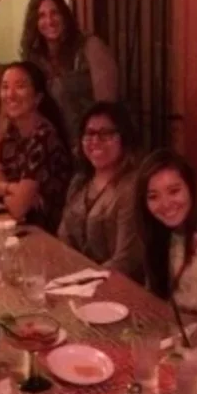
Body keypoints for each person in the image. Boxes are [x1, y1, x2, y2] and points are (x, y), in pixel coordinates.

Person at [0, 61, 71, 233]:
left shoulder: (44, 137)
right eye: (5, 87)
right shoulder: (13, 132)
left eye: (20, 86)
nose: (10, 94)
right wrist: (10, 188)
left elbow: (19, 208)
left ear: (38, 97)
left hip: (44, 236)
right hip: (16, 227)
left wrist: (0, 187)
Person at [136, 149, 197, 317]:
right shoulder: (158, 231)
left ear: (191, 188)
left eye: (174, 191)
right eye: (153, 196)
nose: (165, 204)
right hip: (170, 330)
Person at [58, 102, 142, 279]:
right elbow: (63, 239)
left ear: (124, 138)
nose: (95, 140)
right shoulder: (79, 183)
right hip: (75, 282)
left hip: (119, 288)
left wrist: (82, 279)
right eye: (89, 133)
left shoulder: (132, 188)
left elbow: (126, 260)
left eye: (106, 134)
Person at [20, 0, 118, 139]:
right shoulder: (34, 57)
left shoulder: (90, 46)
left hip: (92, 140)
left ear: (64, 14)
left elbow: (108, 106)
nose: (50, 21)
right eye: (41, 16)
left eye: (55, 13)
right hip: (52, 142)